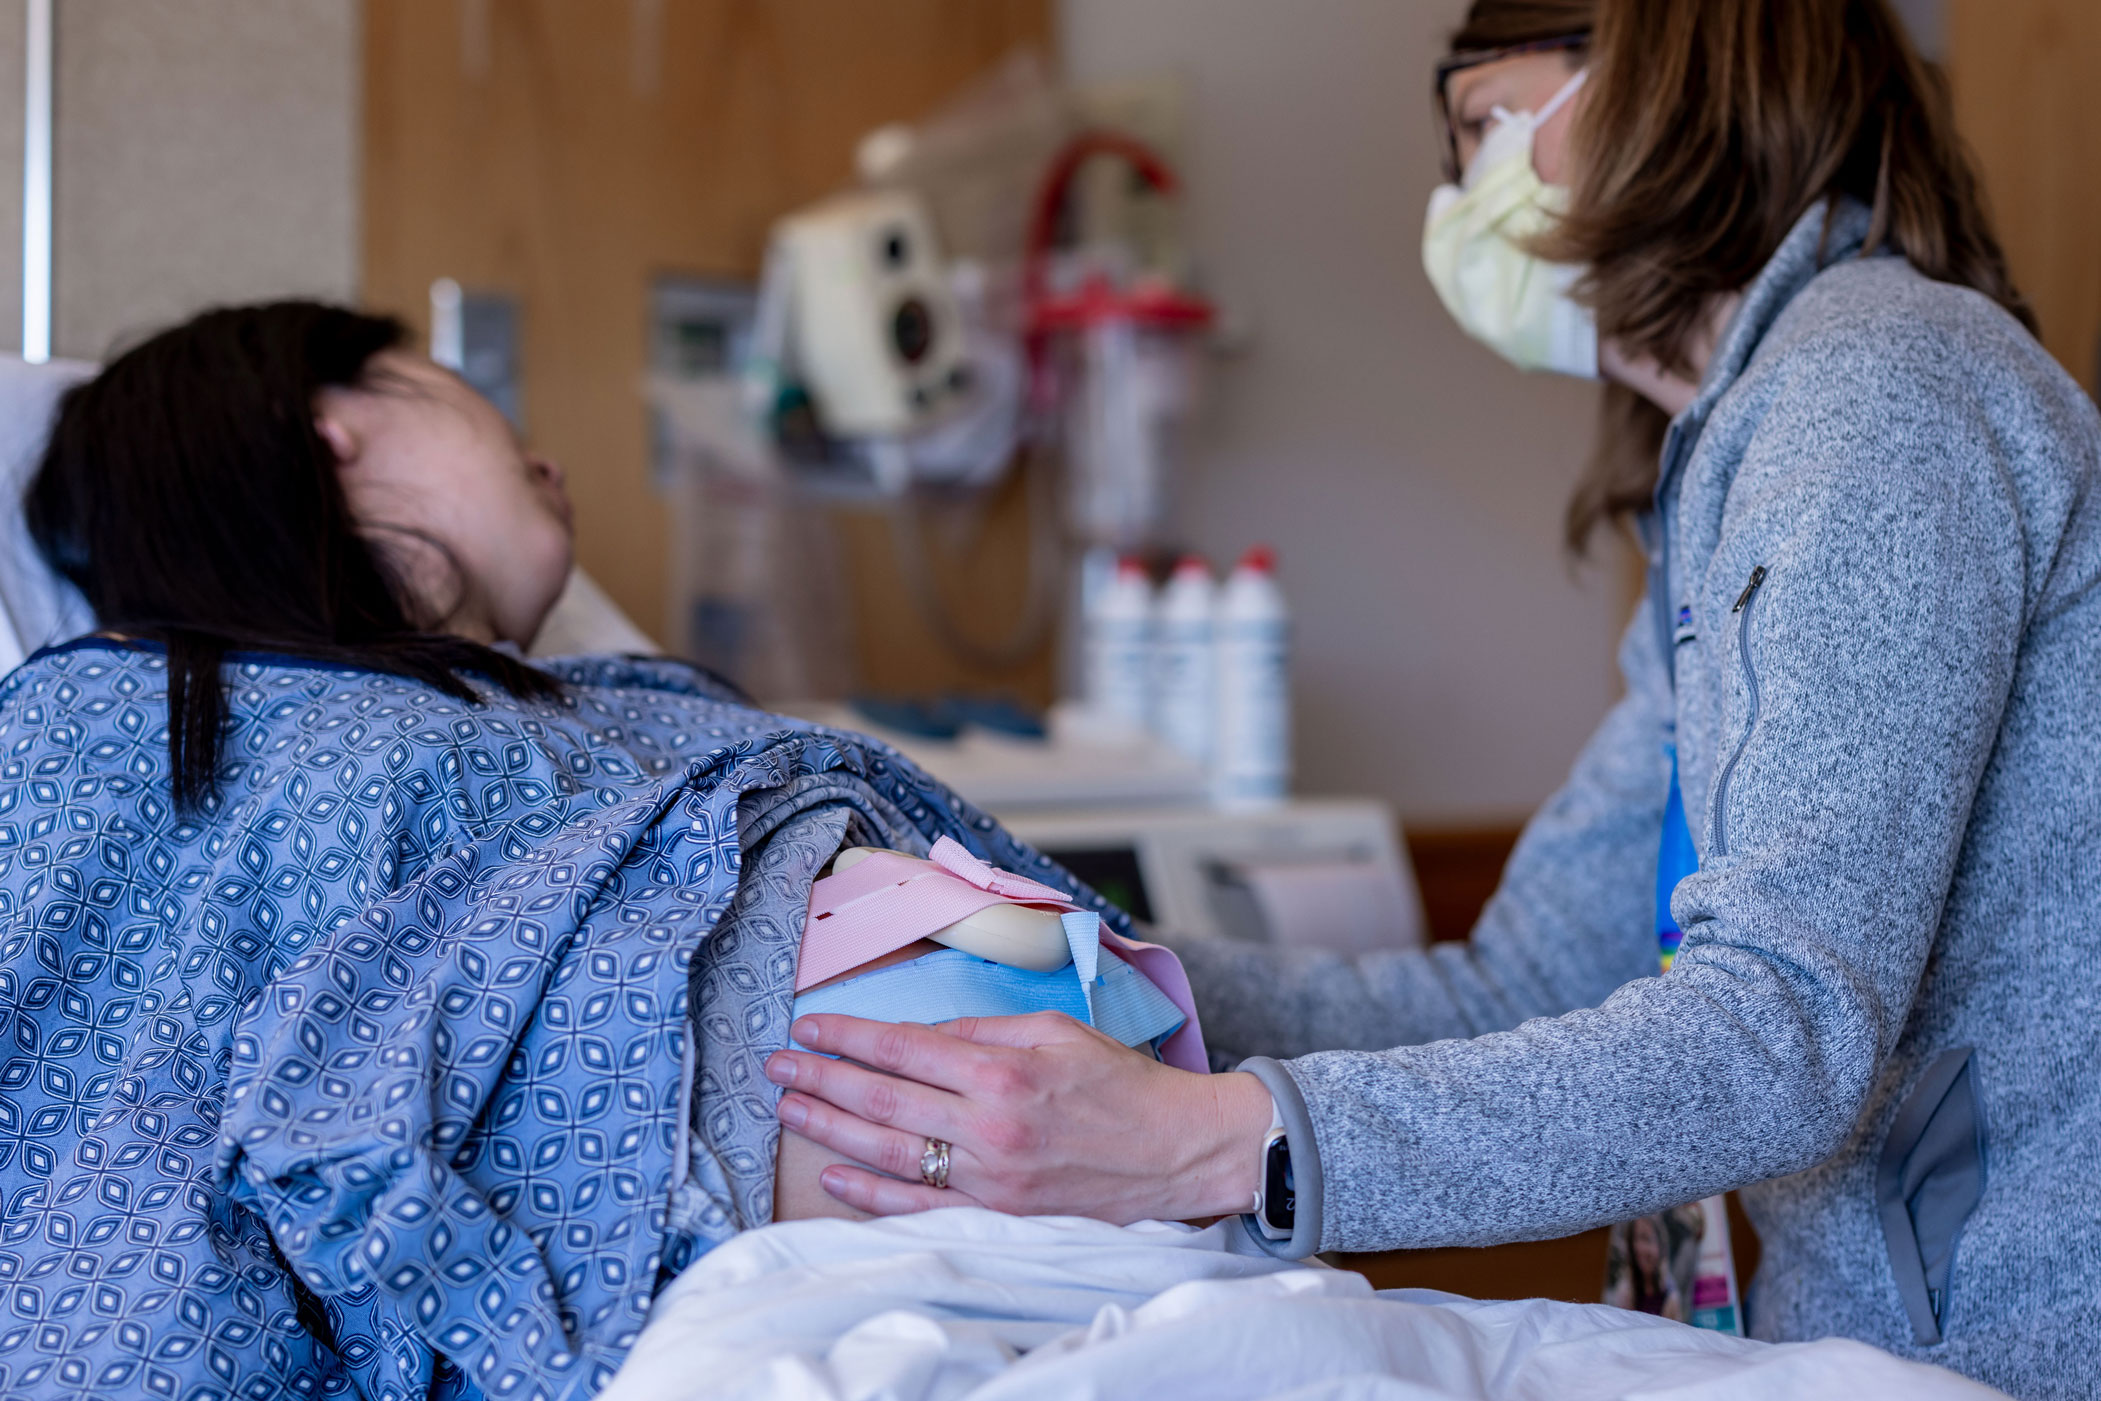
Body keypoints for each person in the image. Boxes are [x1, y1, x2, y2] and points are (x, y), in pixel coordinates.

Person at [761, 0, 2101, 1394]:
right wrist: (1105, 974)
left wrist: (1210, 1139)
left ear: (1665, 72)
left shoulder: (1878, 397)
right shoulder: (1732, 473)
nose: (1460, 200)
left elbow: (1775, 1036)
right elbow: (1526, 978)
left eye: (1481, 132)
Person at [0, 301, 1138, 1398]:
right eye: (471, 396)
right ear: (325, 428)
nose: (548, 461)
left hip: (1093, 1189)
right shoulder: (95, 727)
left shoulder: (605, 711)